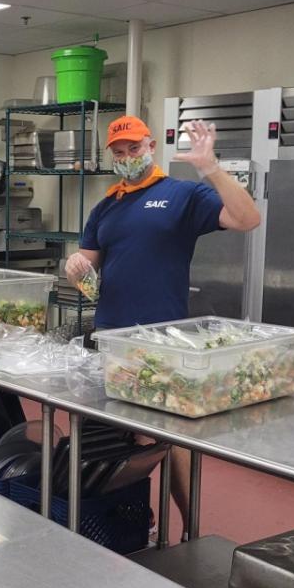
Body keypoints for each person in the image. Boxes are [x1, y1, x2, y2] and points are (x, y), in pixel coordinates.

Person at [64, 116, 261, 538]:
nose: (126, 158)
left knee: (172, 442)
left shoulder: (182, 194)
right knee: (112, 440)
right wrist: (74, 268)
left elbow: (247, 219)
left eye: (134, 149)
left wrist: (210, 167)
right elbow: (87, 269)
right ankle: (127, 521)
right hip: (111, 341)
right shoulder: (106, 206)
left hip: (163, 343)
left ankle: (191, 532)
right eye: (118, 152)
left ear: (150, 146)